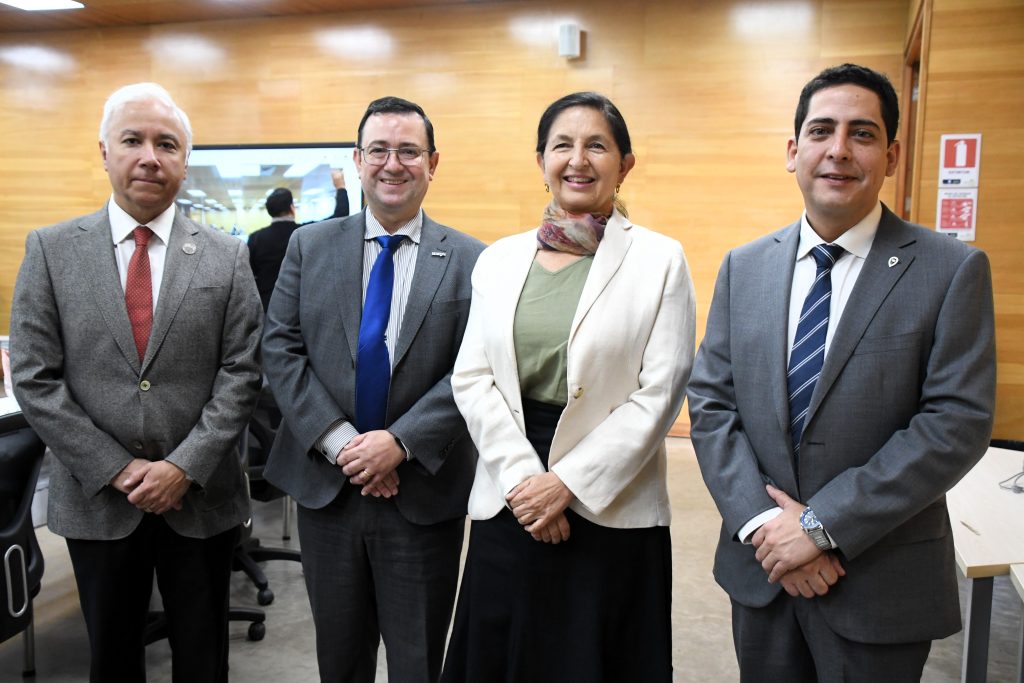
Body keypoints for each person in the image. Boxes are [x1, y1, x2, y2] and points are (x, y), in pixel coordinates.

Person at [687, 63, 996, 682]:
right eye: (822, 130)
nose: (839, 150)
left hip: (879, 579)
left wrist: (821, 527)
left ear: (892, 155)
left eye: (863, 133)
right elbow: (712, 405)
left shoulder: (950, 269)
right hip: (764, 569)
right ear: (793, 150)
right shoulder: (744, 267)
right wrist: (766, 525)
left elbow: (955, 423)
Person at [9, 82, 263, 683]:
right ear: (105, 152)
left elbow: (243, 371)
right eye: (133, 140)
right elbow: (34, 376)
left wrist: (182, 467)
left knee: (203, 660)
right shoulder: (51, 251)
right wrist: (116, 468)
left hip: (200, 499)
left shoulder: (227, 256)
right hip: (98, 500)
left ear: (184, 161)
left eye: (166, 144)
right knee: (113, 660)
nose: (150, 157)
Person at [441, 92, 695, 682]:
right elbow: (472, 377)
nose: (578, 160)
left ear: (624, 164)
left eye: (596, 146)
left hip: (612, 497)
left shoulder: (660, 260)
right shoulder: (498, 260)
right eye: (563, 145)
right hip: (511, 490)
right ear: (541, 162)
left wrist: (568, 485)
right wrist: (524, 482)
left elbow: (661, 391)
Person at [261, 96, 485, 683]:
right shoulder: (308, 246)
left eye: (409, 151)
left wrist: (399, 444)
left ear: (433, 163)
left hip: (423, 493)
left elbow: (473, 368)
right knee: (339, 660)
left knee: (418, 663)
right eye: (379, 150)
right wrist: (344, 445)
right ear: (358, 161)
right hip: (327, 489)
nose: (393, 164)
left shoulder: (471, 259)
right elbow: (280, 349)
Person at [248, 169, 351, 311]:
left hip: (266, 306)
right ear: (292, 208)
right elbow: (340, 217)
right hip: (300, 307)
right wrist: (340, 186)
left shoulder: (255, 238)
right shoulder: (306, 233)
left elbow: (249, 275)